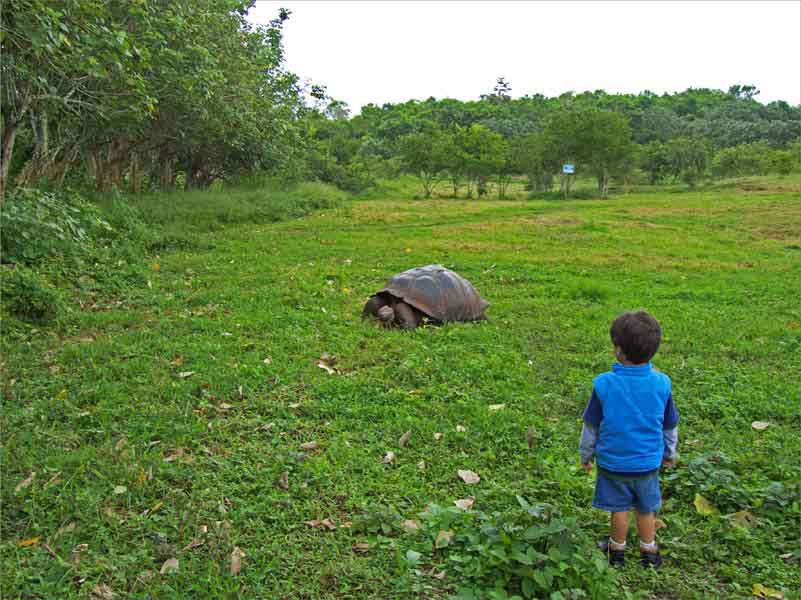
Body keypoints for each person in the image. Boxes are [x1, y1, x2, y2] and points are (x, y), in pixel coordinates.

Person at [579, 311, 679, 569]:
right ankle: (650, 553)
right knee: (646, 509)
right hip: (648, 464)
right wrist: (669, 454)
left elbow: (591, 426)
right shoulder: (662, 384)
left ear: (618, 350)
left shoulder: (604, 384)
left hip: (613, 463)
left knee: (619, 508)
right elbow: (670, 426)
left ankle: (616, 552)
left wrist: (586, 456)